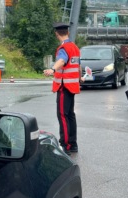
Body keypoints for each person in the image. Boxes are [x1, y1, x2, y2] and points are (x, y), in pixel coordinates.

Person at [44, 22, 85, 155]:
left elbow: (62, 60)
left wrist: (52, 69)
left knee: (62, 116)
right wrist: (80, 78)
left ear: (57, 33)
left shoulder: (63, 49)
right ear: (67, 32)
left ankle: (65, 145)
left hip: (63, 86)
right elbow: (78, 65)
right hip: (72, 86)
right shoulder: (75, 47)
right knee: (70, 115)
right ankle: (73, 144)